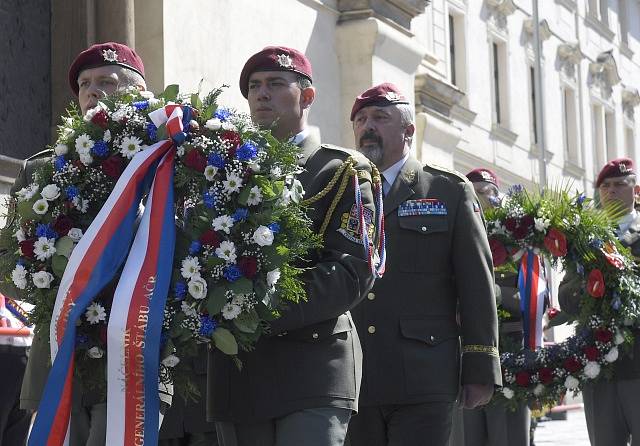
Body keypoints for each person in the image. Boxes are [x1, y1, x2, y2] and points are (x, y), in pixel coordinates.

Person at [207, 46, 380, 446]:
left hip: (312, 367)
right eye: (254, 86)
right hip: (239, 372)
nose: (261, 94)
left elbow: (353, 271)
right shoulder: (221, 171)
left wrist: (255, 310)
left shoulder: (341, 170)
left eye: (275, 84)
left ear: (307, 96)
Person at [345, 83, 501, 446]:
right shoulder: (341, 190)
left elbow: (476, 284)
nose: (368, 126)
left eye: (380, 118)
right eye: (361, 119)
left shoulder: (447, 190)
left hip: (424, 373)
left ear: (409, 131)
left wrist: (480, 366)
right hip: (355, 375)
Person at [558, 157, 640, 446]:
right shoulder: (584, 237)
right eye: (605, 186)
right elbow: (565, 295)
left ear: (636, 190)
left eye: (620, 184)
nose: (612, 191)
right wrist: (587, 287)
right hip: (598, 366)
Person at [448, 168, 530, 446]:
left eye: (488, 192)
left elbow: (532, 299)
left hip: (510, 354)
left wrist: (491, 293)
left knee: (508, 436)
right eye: (476, 192)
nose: (483, 198)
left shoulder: (518, 244)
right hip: (463, 355)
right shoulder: (452, 236)